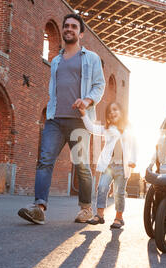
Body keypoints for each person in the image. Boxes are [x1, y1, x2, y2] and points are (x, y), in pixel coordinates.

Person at [17, 13, 105, 225]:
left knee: (82, 165)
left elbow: (99, 85)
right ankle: (39, 208)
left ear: (80, 33)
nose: (69, 29)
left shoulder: (91, 58)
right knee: (45, 160)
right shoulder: (55, 61)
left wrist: (87, 101)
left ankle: (85, 209)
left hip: (79, 121)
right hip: (55, 119)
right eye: (66, 26)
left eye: (74, 27)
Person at [75, 101, 137, 229]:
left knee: (119, 193)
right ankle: (100, 215)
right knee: (102, 187)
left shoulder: (129, 130)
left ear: (122, 112)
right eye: (109, 112)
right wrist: (84, 114)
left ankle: (119, 218)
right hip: (108, 166)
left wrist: (133, 160)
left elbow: (134, 146)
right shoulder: (107, 129)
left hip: (122, 167)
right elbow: (91, 128)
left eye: (115, 110)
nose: (112, 113)